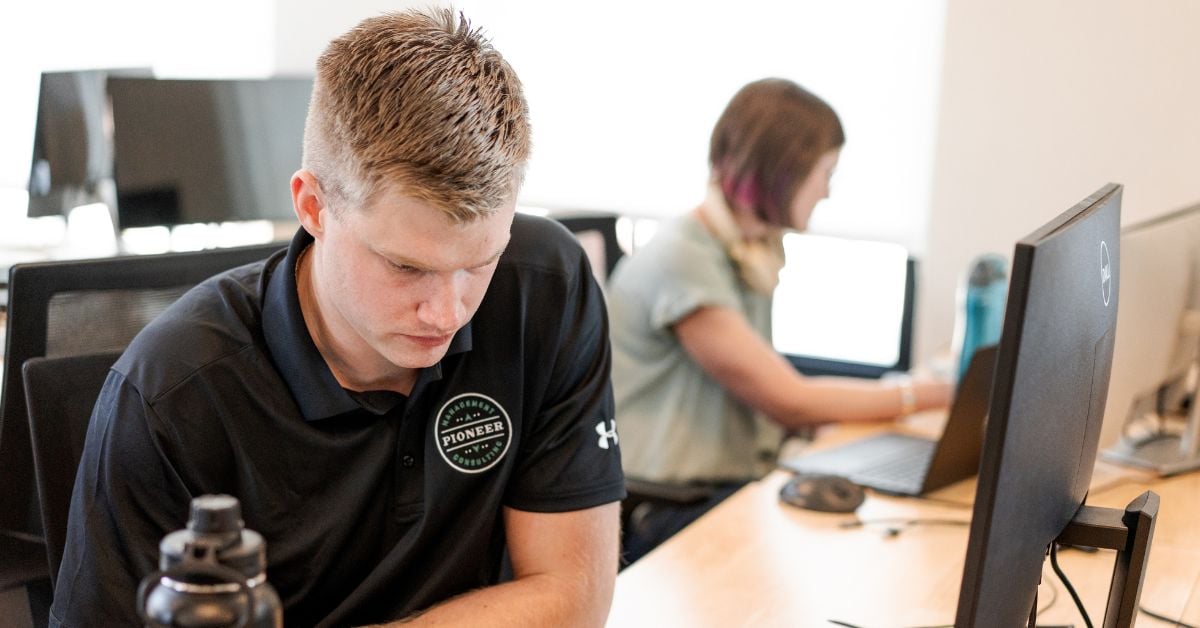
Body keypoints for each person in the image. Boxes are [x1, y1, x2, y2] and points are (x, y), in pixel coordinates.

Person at [51, 9, 624, 628]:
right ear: (313, 206)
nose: (448, 312)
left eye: (479, 263)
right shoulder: (170, 393)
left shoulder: (545, 287)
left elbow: (574, 595)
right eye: (406, 267)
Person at [607, 78, 951, 560]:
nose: (828, 191)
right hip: (668, 508)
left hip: (722, 487)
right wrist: (933, 394)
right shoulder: (684, 258)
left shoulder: (748, 251)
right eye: (825, 171)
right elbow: (789, 401)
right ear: (784, 170)